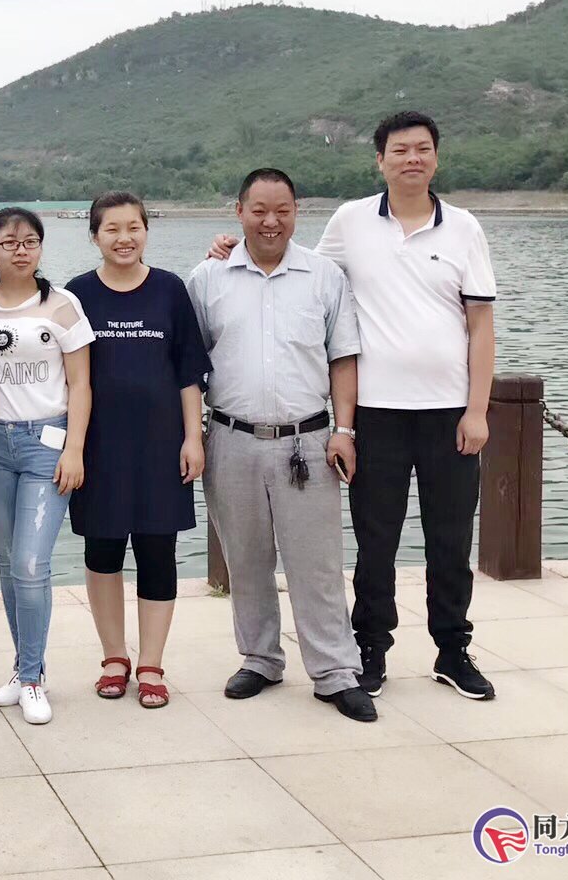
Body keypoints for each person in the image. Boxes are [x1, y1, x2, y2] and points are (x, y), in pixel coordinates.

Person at [209, 112, 498, 701]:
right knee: (375, 541)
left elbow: (481, 325)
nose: (412, 159)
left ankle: (452, 650)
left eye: (422, 149)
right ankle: (370, 649)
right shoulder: (351, 221)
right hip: (376, 414)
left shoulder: (464, 228)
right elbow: (296, 271)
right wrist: (234, 247)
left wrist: (477, 410)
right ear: (380, 160)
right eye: (400, 150)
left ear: (436, 158)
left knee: (450, 539)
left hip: (448, 412)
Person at [187, 169, 375, 722]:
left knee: (317, 563)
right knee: (245, 559)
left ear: (297, 211)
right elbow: (189, 364)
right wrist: (190, 434)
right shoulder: (208, 277)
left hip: (308, 440)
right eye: (259, 210)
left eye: (283, 211)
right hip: (230, 437)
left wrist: (344, 431)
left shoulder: (324, 276)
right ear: (239, 211)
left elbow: (343, 357)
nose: (271, 222)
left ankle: (335, 670)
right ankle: (261, 659)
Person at [67, 191, 209, 710]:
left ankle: (150, 664)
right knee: (101, 552)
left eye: (134, 227)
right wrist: (72, 448)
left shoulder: (170, 289)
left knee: (157, 553)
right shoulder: (77, 294)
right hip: (98, 446)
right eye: (112, 229)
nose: (124, 238)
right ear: (94, 236)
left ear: (147, 231)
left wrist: (193, 437)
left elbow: (189, 373)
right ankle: (113, 657)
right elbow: (68, 376)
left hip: (160, 446)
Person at [0, 207, 94, 725]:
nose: (21, 250)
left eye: (30, 241)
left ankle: (35, 678)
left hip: (47, 443)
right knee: (6, 562)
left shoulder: (61, 305)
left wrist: (75, 449)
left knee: (30, 564)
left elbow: (81, 384)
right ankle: (22, 668)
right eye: (9, 241)